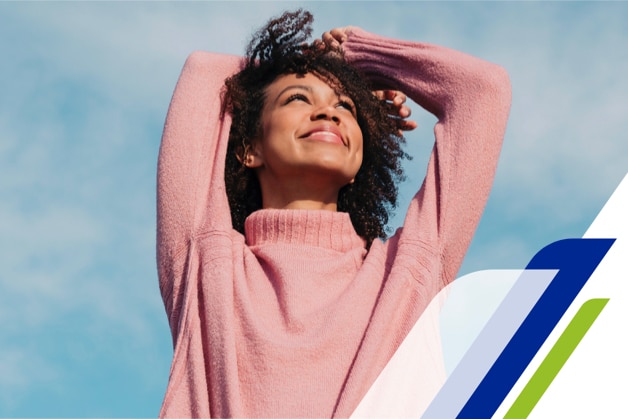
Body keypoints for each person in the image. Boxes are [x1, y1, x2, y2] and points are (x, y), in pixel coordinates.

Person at [157, 9, 511, 418]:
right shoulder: (206, 263)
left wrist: (364, 59)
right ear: (248, 149)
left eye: (346, 107)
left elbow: (484, 90)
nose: (329, 112)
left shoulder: (407, 273)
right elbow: (205, 72)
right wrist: (318, 66)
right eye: (297, 98)